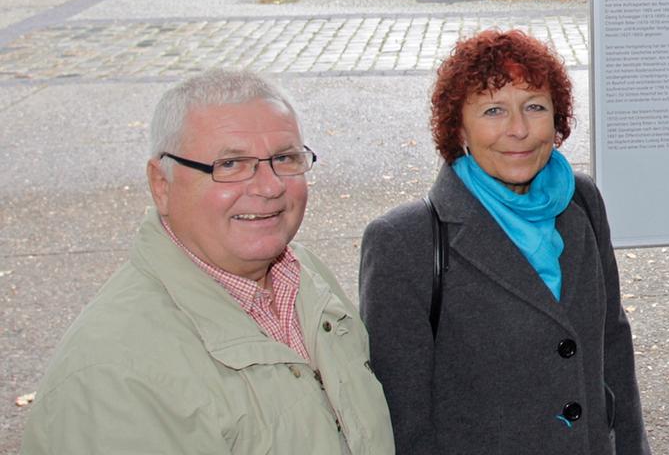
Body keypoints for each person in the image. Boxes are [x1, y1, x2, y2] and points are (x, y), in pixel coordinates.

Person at [21, 69, 394, 454]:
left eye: (284, 158)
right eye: (230, 165)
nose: (270, 186)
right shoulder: (111, 378)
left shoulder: (305, 277)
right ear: (161, 185)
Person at [360, 30, 649, 455]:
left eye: (534, 106)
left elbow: (612, 348)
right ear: (458, 126)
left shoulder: (582, 202)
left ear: (557, 117)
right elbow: (402, 417)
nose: (518, 129)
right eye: (493, 110)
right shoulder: (406, 242)